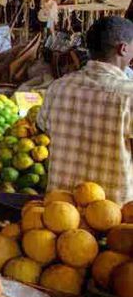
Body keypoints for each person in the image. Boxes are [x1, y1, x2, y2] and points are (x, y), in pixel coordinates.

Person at [37, 16, 133, 205]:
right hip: (114, 216)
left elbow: (42, 130)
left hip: (59, 215)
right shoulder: (129, 94)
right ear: (123, 49)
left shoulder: (58, 88)